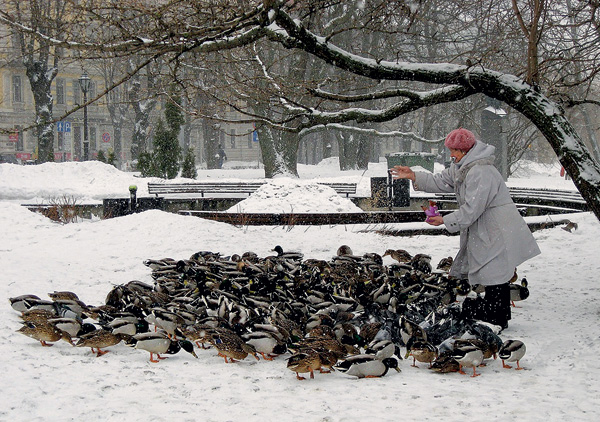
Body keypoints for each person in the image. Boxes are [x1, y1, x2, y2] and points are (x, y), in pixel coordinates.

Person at [390, 128, 541, 330]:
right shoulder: (464, 166)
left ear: (467, 150)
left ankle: (496, 316)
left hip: (495, 226)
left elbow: (472, 209)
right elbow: (442, 181)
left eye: (455, 150)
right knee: (492, 269)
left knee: (493, 270)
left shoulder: (481, 171)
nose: (451, 154)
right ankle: (496, 312)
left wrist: (445, 220)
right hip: (485, 225)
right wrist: (414, 176)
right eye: (451, 150)